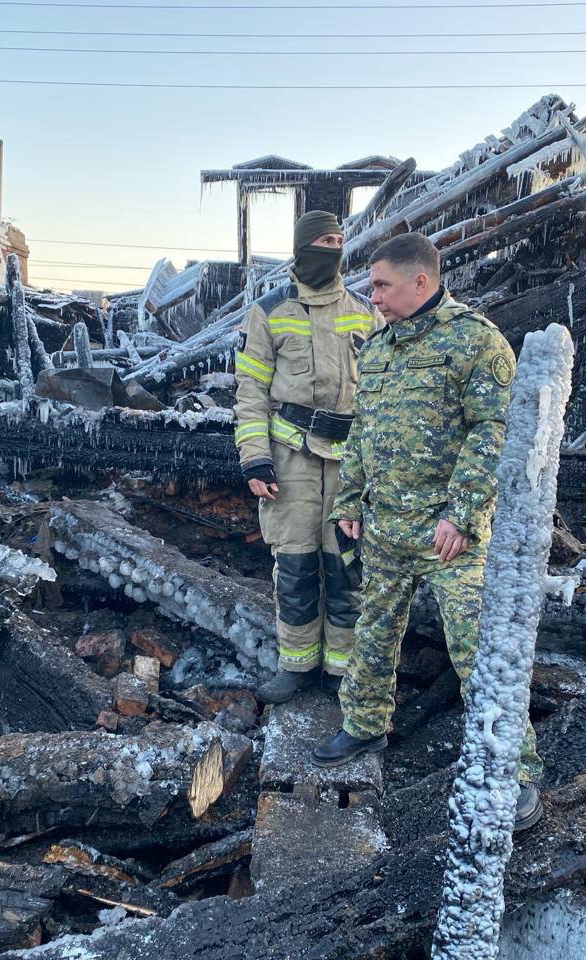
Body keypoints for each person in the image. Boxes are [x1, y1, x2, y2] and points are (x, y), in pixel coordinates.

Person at [312, 231, 544, 832]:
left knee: (477, 649)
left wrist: (462, 515)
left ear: (422, 280)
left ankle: (515, 770)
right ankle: (363, 727)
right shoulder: (381, 347)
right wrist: (352, 499)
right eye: (371, 288)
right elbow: (363, 431)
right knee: (373, 632)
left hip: (449, 536)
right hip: (386, 527)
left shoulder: (476, 341)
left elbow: (494, 431)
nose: (374, 298)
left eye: (382, 286)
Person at [234, 210, 384, 704]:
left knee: (345, 569)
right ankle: (296, 666)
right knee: (296, 571)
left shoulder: (366, 310)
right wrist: (255, 459)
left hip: (351, 465)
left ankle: (341, 671)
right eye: (323, 241)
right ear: (302, 249)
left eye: (339, 241)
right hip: (291, 463)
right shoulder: (269, 311)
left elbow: (387, 390)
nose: (333, 249)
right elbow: (251, 390)